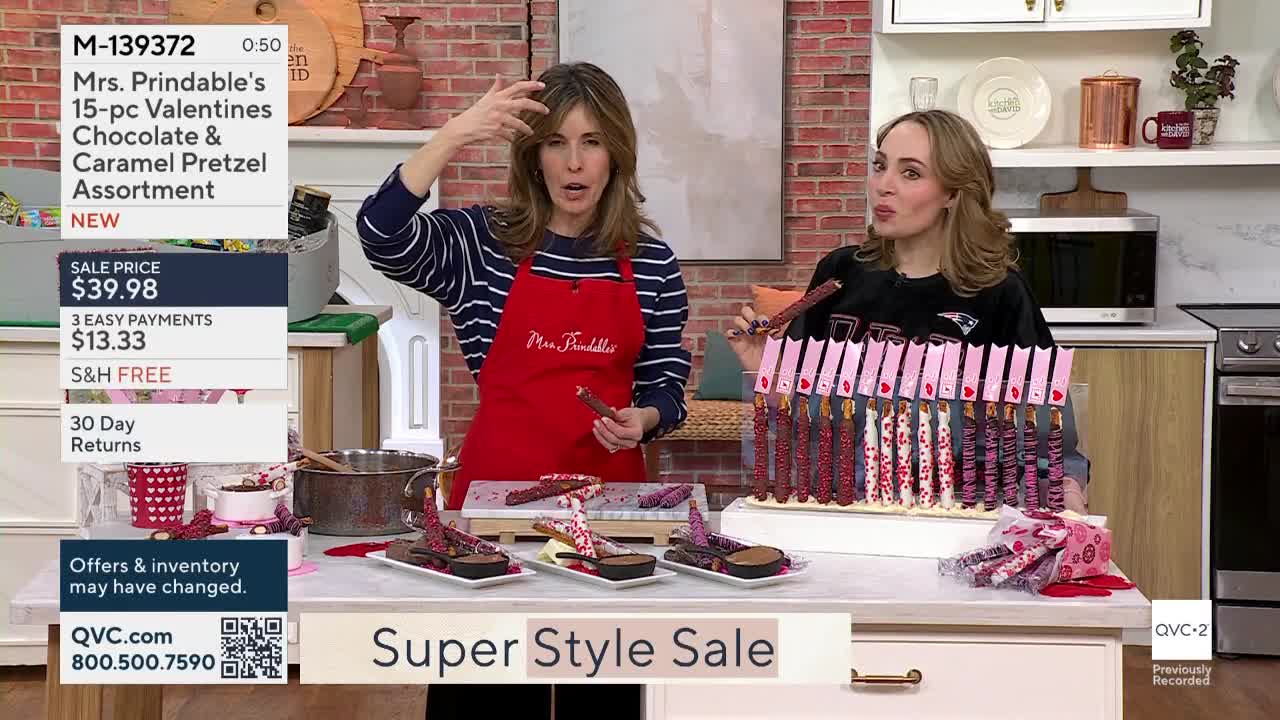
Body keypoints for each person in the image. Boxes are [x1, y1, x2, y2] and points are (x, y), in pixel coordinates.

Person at [357, 62, 686, 719]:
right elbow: (380, 235)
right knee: (487, 692)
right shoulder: (483, 245)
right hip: (491, 516)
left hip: (610, 517)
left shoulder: (651, 263)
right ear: (532, 157)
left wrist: (643, 418)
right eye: (555, 142)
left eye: (591, 142)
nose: (573, 161)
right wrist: (450, 137)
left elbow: (667, 381)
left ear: (615, 154)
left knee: (607, 695)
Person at [727, 109, 1087, 512]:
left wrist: (1068, 503)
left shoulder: (999, 292)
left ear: (953, 192)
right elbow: (806, 430)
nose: (884, 186)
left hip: (949, 518)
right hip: (838, 510)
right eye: (880, 166)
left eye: (910, 173)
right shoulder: (839, 272)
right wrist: (768, 377)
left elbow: (1047, 439)